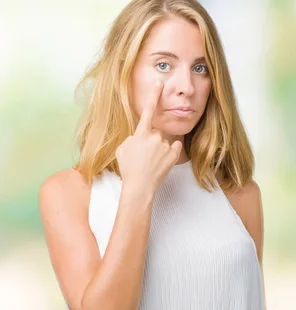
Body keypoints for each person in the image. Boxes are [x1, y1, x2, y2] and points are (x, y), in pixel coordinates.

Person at [38, 0, 265, 309]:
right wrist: (138, 188)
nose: (186, 86)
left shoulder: (239, 192)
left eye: (200, 68)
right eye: (163, 65)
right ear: (123, 71)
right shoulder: (69, 193)